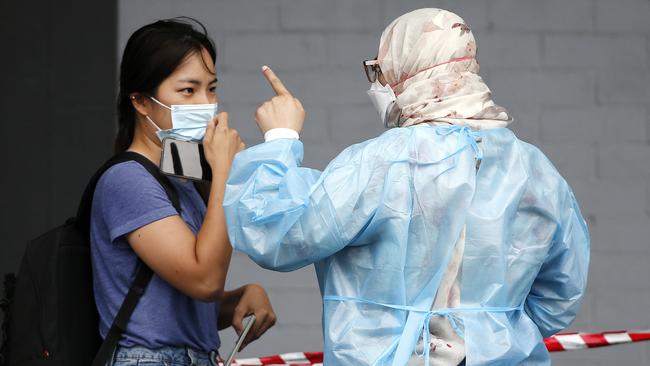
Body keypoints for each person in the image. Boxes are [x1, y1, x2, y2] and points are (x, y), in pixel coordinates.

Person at [223, 8, 589, 366]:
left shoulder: (383, 162)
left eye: (379, 71)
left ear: (404, 69)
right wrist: (494, 336)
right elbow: (561, 295)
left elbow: (282, 235)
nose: (378, 84)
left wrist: (280, 137)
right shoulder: (535, 170)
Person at [91, 18, 276, 366]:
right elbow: (204, 280)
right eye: (188, 91)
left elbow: (174, 304)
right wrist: (222, 171)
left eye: (212, 88)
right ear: (141, 102)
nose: (206, 104)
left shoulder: (182, 179)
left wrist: (237, 299)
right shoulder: (127, 179)